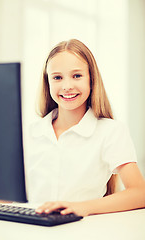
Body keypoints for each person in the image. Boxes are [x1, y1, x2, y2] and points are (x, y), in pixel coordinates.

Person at [26, 39, 145, 217]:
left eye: (77, 76)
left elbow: (139, 194)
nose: (67, 86)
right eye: (57, 77)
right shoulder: (30, 132)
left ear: (91, 79)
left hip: (83, 230)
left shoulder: (110, 131)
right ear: (48, 82)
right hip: (31, 229)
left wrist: (81, 207)